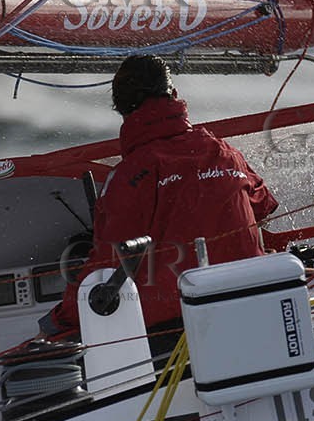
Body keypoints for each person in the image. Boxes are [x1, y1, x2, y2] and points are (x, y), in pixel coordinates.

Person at [42, 54, 278, 341]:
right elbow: (264, 205)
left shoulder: (129, 177)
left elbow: (105, 271)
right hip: (259, 307)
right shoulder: (224, 152)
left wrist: (59, 319)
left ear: (121, 110)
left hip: (177, 332)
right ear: (175, 95)